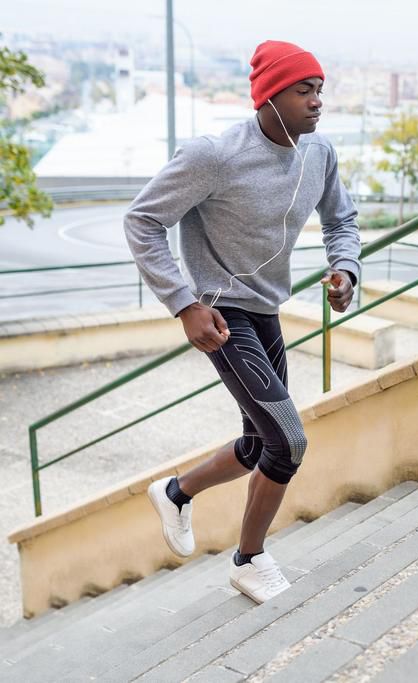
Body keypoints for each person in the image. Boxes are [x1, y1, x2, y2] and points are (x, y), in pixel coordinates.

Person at [123, 40, 361, 604]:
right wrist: (184, 303)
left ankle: (177, 493)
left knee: (260, 444)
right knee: (289, 439)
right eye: (304, 90)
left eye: (320, 89)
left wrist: (345, 268)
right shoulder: (215, 155)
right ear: (270, 96)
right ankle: (249, 559)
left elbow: (342, 219)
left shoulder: (319, 154)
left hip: (267, 309)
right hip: (221, 314)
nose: (317, 101)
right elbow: (143, 221)